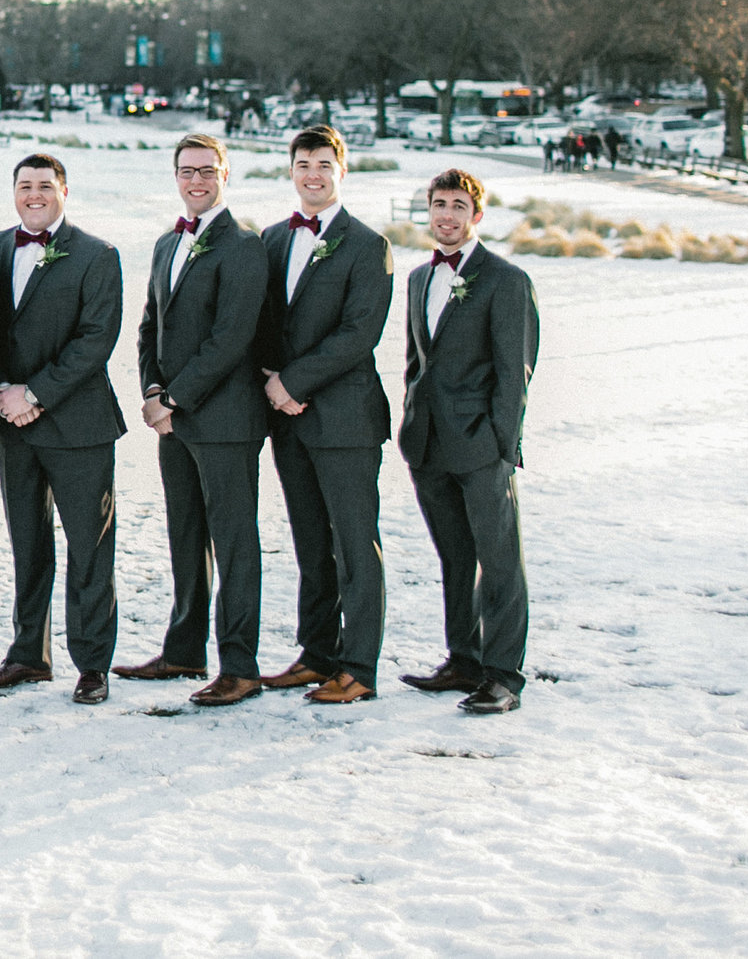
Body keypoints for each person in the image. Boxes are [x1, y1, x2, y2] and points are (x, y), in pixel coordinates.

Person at [115, 132, 269, 707]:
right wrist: (153, 391)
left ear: (225, 174)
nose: (196, 180)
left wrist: (176, 397)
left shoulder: (245, 246)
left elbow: (233, 337)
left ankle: (241, 665)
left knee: (233, 542)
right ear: (175, 176)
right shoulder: (165, 244)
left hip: (225, 419)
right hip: (173, 420)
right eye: (187, 171)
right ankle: (183, 649)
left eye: (207, 170)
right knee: (185, 536)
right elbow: (150, 324)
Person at [0, 153, 124, 706]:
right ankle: (29, 655)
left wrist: (34, 394)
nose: (34, 195)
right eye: (24, 186)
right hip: (12, 425)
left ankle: (92, 664)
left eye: (44, 185)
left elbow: (95, 340)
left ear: (64, 190)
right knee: (27, 544)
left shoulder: (97, 254)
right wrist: (1, 393)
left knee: (89, 547)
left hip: (79, 425)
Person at [254, 126, 394, 706]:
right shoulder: (270, 239)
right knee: (310, 542)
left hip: (344, 420)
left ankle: (358, 667)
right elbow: (261, 320)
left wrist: (293, 382)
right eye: (303, 164)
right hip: (287, 418)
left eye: (323, 165)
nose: (313, 174)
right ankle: (316, 655)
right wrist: (270, 381)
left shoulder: (368, 245)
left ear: (342, 172)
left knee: (356, 545)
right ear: (291, 170)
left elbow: (359, 333)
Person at [397, 168, 541, 716]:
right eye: (439, 205)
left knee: (499, 562)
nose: (447, 216)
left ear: (476, 215)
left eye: (459, 206)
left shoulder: (506, 280)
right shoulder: (418, 279)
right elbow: (417, 364)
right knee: (455, 557)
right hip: (428, 445)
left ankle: (503, 676)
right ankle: (464, 659)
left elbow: (515, 374)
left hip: (482, 446)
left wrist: (502, 445)